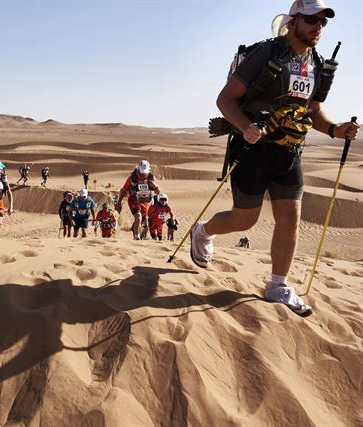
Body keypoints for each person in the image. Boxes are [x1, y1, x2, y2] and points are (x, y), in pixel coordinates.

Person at [190, 0, 359, 317]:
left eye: (323, 22)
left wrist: (337, 130)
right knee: (245, 220)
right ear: (294, 20)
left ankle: (278, 286)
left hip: (290, 151)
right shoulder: (266, 53)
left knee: (290, 218)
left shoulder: (317, 63)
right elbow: (225, 99)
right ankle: (203, 231)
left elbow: (313, 111)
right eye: (311, 19)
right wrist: (245, 127)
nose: (317, 27)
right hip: (251, 149)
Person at [115, 160, 161, 240]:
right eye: (142, 172)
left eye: (145, 173)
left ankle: (135, 229)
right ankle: (136, 238)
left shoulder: (151, 178)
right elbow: (123, 190)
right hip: (134, 200)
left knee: (143, 219)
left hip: (145, 201)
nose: (144, 174)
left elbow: (158, 192)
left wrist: (154, 186)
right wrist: (119, 202)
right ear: (138, 170)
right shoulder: (132, 178)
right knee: (138, 217)